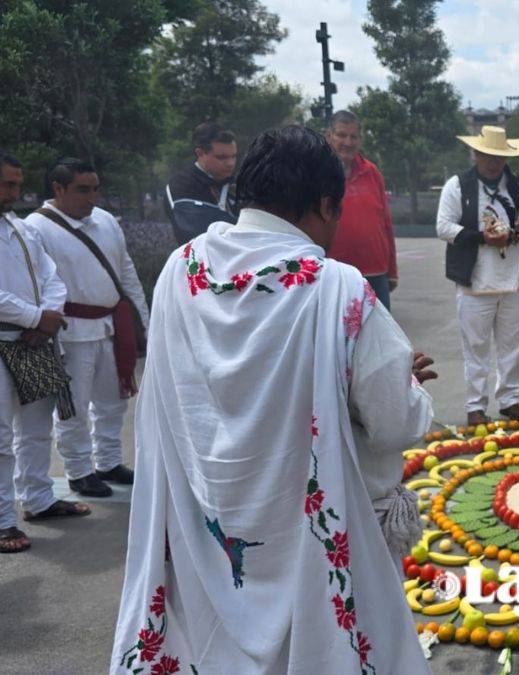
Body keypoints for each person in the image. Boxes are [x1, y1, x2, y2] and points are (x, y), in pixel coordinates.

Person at [110, 126, 436, 673]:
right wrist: (410, 384)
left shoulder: (178, 271)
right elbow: (394, 421)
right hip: (308, 536)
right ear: (327, 205)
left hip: (209, 527)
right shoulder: (338, 287)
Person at [24, 159, 150, 498]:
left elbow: (126, 273)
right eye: (83, 189)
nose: (92, 196)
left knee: (114, 401)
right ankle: (79, 470)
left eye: (95, 188)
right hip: (68, 331)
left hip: (110, 325)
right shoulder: (35, 227)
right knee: (73, 407)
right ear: (58, 189)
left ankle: (108, 462)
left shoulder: (106, 221)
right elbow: (33, 283)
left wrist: (144, 320)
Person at [0, 150, 89, 554]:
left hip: (34, 341)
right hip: (7, 337)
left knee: (36, 430)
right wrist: (37, 317)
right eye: (7, 183)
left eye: (17, 184)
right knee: (0, 437)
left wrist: (47, 315)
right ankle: (3, 521)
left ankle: (37, 501)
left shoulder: (20, 228)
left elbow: (52, 276)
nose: (14, 192)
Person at [436, 126, 519, 427]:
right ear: (477, 154)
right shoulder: (458, 185)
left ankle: (509, 400)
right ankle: (475, 405)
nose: (493, 162)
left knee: (512, 345)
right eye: (487, 155)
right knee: (476, 347)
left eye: (499, 157)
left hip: (512, 281)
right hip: (474, 281)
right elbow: (443, 227)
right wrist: (482, 237)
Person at [324, 110, 397, 311]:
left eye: (353, 136)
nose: (348, 142)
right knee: (338, 340)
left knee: (380, 340)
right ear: (328, 136)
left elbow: (386, 224)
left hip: (376, 276)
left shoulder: (371, 172)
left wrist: (391, 270)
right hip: (333, 277)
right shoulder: (315, 173)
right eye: (341, 135)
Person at [165, 122, 238, 244]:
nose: (230, 163)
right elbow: (198, 233)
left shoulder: (237, 183)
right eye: (222, 157)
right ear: (200, 153)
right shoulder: (181, 185)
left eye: (234, 156)